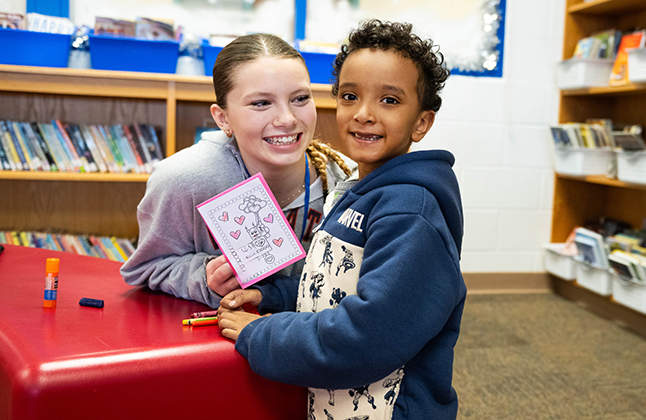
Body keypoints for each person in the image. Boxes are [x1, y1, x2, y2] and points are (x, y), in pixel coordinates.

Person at [216, 19, 466, 420]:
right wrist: (275, 296)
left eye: (389, 100)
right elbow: (336, 279)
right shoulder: (353, 189)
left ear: (421, 122)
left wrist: (259, 333)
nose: (364, 114)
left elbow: (368, 339)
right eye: (350, 96)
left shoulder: (409, 212)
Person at [120, 33, 354, 308]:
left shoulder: (346, 180)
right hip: (217, 341)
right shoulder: (184, 179)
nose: (287, 119)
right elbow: (147, 267)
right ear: (223, 118)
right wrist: (202, 277)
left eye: (300, 98)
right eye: (261, 103)